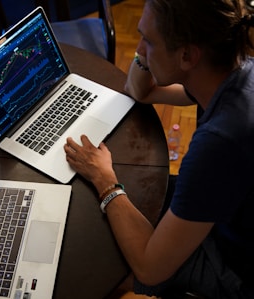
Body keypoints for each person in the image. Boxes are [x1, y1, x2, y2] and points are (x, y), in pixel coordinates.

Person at [64, 0, 254, 298]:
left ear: (188, 55)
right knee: (132, 196)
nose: (139, 47)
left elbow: (150, 270)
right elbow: (141, 91)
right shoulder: (234, 70)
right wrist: (148, 49)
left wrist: (105, 180)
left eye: (149, 41)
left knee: (96, 262)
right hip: (231, 213)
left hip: (236, 268)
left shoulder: (219, 142)